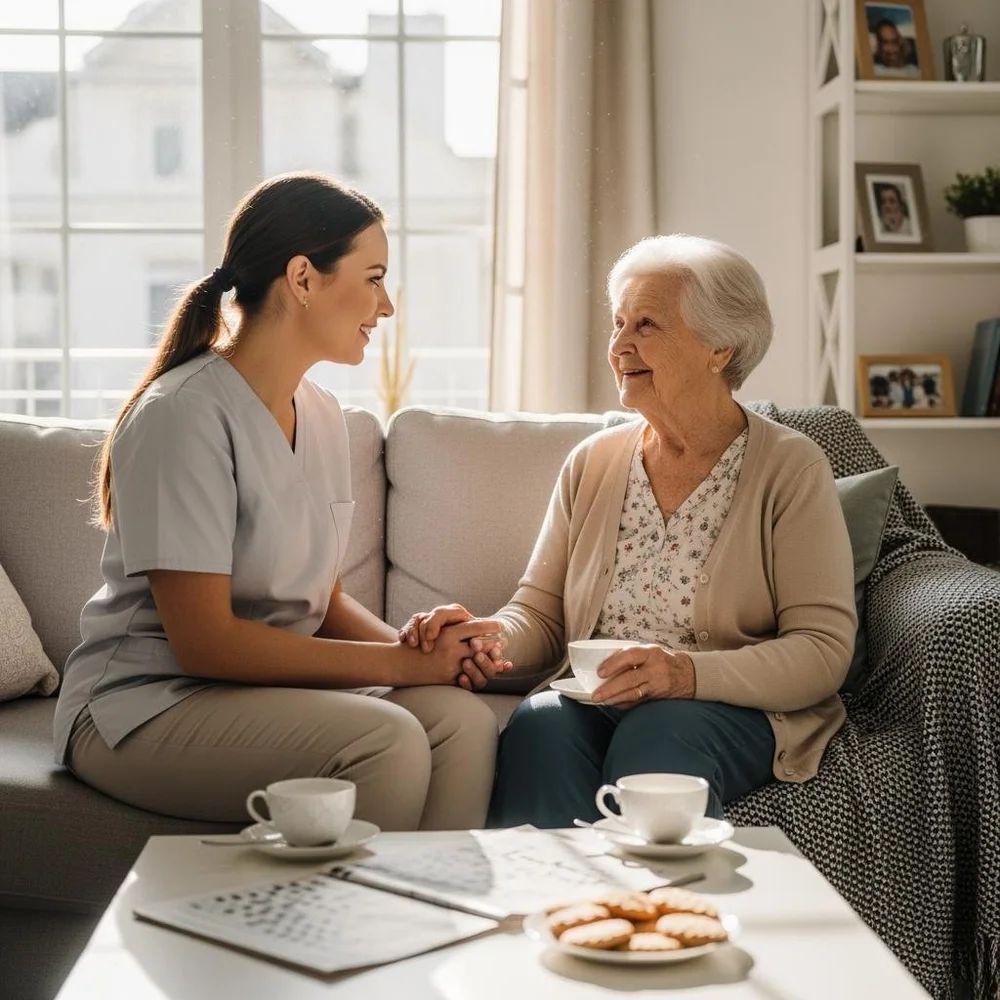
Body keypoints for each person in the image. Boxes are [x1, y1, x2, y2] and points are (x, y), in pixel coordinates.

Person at [53, 172, 507, 832]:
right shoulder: (181, 415)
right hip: (142, 704)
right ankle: (353, 903)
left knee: (462, 721)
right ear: (302, 279)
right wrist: (400, 664)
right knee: (387, 739)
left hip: (255, 694)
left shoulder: (322, 415)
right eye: (374, 278)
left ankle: (433, 899)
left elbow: (320, 601)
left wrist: (429, 655)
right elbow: (206, 644)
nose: (386, 307)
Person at [401, 235, 857, 827]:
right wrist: (490, 638)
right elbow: (540, 613)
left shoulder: (790, 468)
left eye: (646, 325)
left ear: (720, 348)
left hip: (727, 706)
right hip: (600, 698)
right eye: (618, 323)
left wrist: (685, 675)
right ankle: (551, 888)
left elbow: (822, 650)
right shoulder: (593, 462)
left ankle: (663, 890)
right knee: (541, 725)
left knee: (661, 730)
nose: (619, 346)